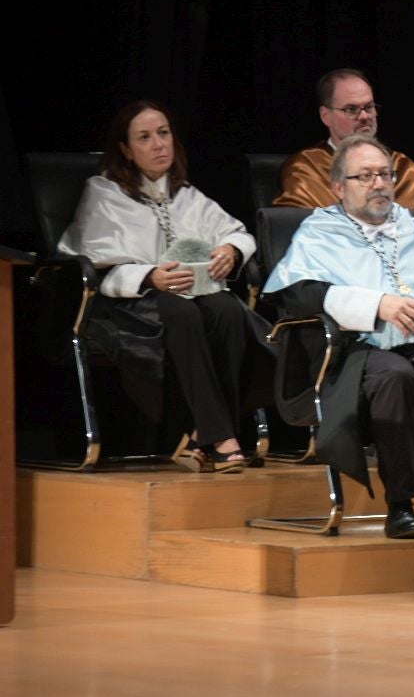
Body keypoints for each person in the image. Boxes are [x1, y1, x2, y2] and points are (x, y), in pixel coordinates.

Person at [263, 133, 414, 539]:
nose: (378, 183)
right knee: (394, 375)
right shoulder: (319, 231)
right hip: (353, 355)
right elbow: (299, 295)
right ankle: (401, 505)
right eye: (365, 176)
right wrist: (376, 305)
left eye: (384, 175)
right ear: (339, 187)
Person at [58, 101, 265, 471]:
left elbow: (238, 233)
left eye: (164, 133)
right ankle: (220, 436)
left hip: (183, 299)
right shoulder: (104, 193)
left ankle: (208, 437)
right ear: (125, 148)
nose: (158, 144)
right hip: (124, 305)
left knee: (228, 310)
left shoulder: (186, 195)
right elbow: (95, 265)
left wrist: (230, 251)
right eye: (145, 137)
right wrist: (149, 277)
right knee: (181, 311)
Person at [275, 67, 414, 258]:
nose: (365, 116)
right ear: (326, 116)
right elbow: (295, 237)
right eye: (351, 109)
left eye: (369, 107)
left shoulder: (403, 167)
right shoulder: (306, 167)